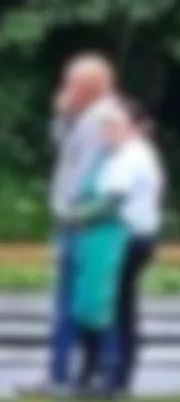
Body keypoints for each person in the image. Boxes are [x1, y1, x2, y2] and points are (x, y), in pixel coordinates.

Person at [19, 52, 121, 397]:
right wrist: (63, 115)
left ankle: (90, 373)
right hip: (78, 221)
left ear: (88, 87)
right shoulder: (88, 117)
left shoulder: (102, 119)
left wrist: (76, 211)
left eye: (72, 84)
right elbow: (65, 147)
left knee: (85, 302)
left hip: (87, 224)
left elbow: (93, 172)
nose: (66, 90)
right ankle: (68, 373)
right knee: (76, 302)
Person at [75, 100, 164, 397]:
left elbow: (111, 201)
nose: (105, 133)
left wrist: (76, 216)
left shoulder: (131, 155)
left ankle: (116, 377)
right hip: (131, 237)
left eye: (110, 127)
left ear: (125, 126)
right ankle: (112, 375)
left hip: (128, 238)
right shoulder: (129, 154)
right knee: (119, 307)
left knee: (118, 307)